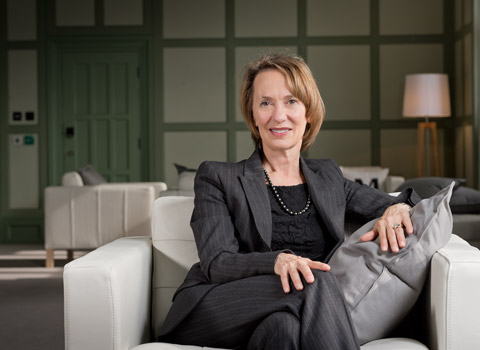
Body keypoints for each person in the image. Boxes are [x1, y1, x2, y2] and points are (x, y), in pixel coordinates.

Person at [157, 54, 419, 350]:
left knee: (283, 330)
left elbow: (399, 203)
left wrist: (398, 207)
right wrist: (278, 261)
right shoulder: (218, 177)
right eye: (265, 103)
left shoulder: (328, 177)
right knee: (312, 279)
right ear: (253, 115)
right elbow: (217, 262)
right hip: (219, 306)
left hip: (284, 312)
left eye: (291, 101)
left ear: (308, 112)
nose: (278, 115)